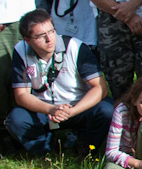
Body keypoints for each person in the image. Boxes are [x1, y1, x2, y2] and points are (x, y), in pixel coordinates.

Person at [6, 9, 113, 154]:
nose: (49, 39)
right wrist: (50, 109)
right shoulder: (20, 51)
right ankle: (46, 149)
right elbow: (21, 95)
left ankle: (86, 146)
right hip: (44, 109)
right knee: (17, 119)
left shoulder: (75, 47)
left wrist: (72, 111)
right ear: (27, 40)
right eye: (40, 36)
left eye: (51, 31)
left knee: (107, 110)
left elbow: (100, 88)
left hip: (77, 106)